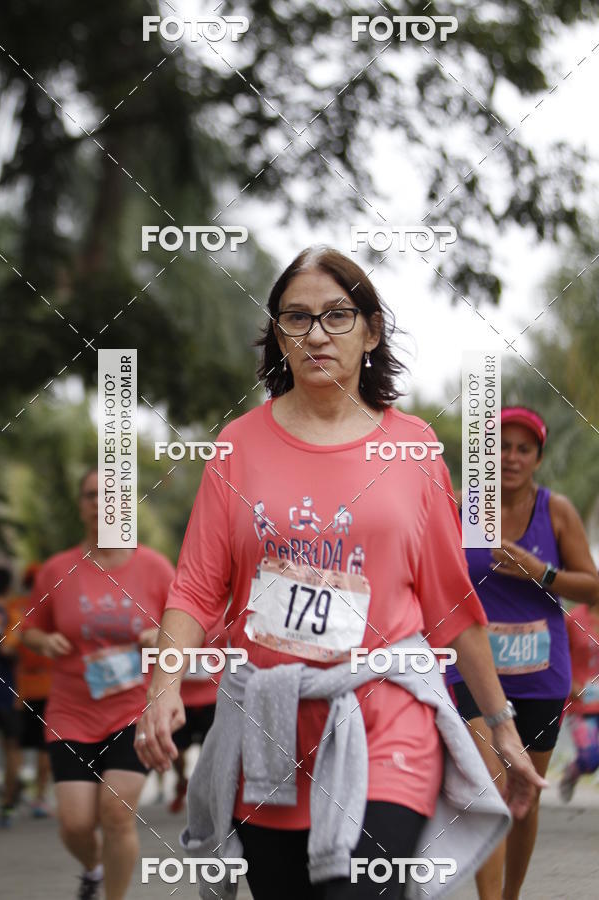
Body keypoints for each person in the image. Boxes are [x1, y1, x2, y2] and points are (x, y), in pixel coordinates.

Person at [136, 247, 544, 900]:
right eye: (296, 318)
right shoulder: (236, 447)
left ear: (371, 331)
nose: (317, 333)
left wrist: (502, 726)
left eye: (337, 315)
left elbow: (450, 601)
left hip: (384, 720)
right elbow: (196, 586)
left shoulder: (411, 447)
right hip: (271, 727)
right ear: (277, 334)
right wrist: (161, 690)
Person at [446, 405, 599, 900]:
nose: (510, 457)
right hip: (473, 668)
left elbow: (593, 588)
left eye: (523, 449)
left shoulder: (557, 512)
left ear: (537, 457)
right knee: (488, 787)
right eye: (500, 447)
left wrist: (542, 571)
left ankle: (509, 896)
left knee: (524, 795)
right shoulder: (462, 507)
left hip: (539, 672)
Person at [21, 469, 175, 900]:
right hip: (72, 709)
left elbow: (187, 621)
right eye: (92, 495)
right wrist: (42, 639)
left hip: (133, 707)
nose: (101, 503)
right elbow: (28, 628)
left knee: (116, 812)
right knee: (74, 823)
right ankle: (92, 869)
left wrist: (159, 632)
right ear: (82, 505)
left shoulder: (154, 567)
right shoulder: (56, 569)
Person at [168, 618, 223, 814]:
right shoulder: (177, 619)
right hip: (182, 699)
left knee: (210, 751)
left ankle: (205, 792)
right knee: (175, 750)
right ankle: (182, 779)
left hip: (211, 698)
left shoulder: (221, 620)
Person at [13, 562, 54, 817]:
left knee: (14, 745)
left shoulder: (14, 608)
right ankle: (38, 797)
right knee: (42, 746)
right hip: (47, 687)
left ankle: (13, 793)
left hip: (20, 687)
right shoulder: (51, 610)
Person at [559, 600, 599, 801]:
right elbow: (559, 655)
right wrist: (570, 683)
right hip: (582, 704)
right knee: (590, 759)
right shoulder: (574, 619)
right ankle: (573, 771)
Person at [0, 564, 21, 828]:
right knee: (12, 748)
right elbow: (8, 648)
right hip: (7, 691)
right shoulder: (13, 613)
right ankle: (7, 803)